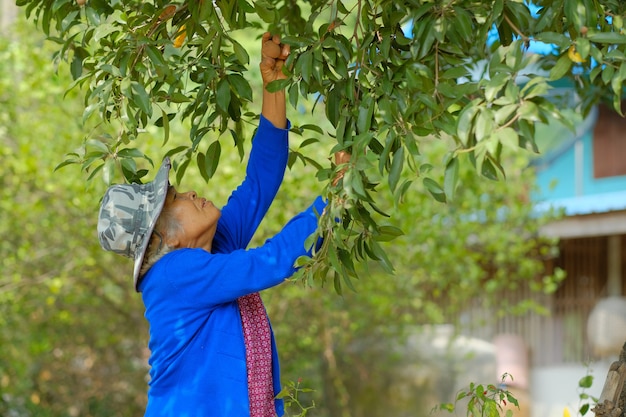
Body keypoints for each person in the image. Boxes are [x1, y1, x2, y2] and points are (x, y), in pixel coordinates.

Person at [97, 33, 346, 417]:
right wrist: (337, 192)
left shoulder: (213, 250)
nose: (191, 192)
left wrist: (273, 83)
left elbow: (261, 181)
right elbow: (272, 261)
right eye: (177, 199)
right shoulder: (174, 274)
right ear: (166, 238)